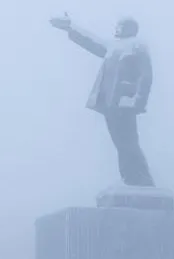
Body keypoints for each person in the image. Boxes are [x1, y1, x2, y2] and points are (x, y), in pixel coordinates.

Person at [49, 13, 155, 187]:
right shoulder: (113, 46)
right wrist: (70, 27)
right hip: (109, 102)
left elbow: (146, 76)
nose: (116, 28)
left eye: (120, 25)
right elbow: (92, 41)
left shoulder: (138, 46)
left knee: (128, 142)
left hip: (125, 102)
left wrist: (138, 101)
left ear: (129, 28)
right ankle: (130, 179)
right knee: (120, 143)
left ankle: (142, 180)